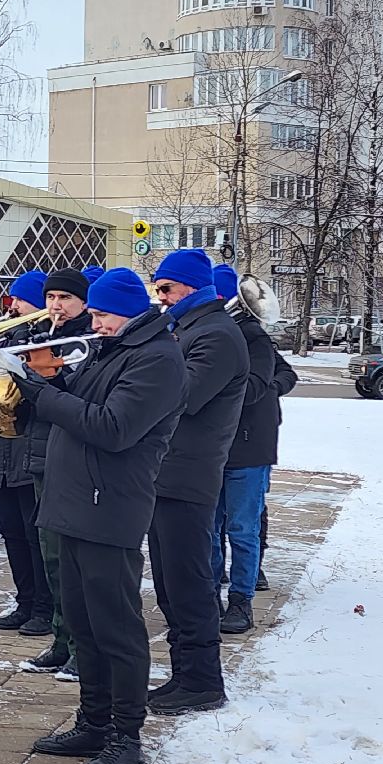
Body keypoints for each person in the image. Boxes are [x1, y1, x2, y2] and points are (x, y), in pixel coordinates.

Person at [16, 267, 186, 764]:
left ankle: (126, 739)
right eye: (96, 312)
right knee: (83, 623)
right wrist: (43, 379)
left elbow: (112, 428)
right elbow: (83, 401)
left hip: (109, 506)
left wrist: (44, 396)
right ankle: (93, 722)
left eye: (104, 313)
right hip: (73, 502)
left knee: (117, 628)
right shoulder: (112, 349)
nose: (96, 320)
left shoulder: (158, 359)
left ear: (132, 310)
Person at [147, 249, 248, 716]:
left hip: (189, 474)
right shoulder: (186, 329)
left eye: (166, 289)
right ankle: (183, 674)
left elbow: (180, 396)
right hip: (164, 472)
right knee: (169, 583)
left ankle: (204, 681)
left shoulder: (218, 335)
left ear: (190, 287)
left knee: (189, 582)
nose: (160, 298)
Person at [21, 268, 96, 682]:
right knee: (51, 555)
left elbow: (76, 396)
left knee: (73, 559)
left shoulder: (88, 342)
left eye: (66, 298)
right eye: (51, 297)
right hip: (39, 450)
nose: (56, 305)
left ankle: (82, 649)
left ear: (83, 303)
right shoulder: (38, 333)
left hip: (72, 456)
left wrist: (49, 373)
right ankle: (61, 640)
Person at [0, 269, 52, 637]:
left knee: (33, 533)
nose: (14, 307)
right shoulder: (1, 338)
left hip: (28, 451)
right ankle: (25, 600)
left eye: (22, 301)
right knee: (12, 532)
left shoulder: (43, 342)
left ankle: (44, 605)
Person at [209, 264, 277, 633]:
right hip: (212, 449)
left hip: (248, 449)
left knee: (242, 528)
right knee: (209, 527)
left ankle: (241, 602)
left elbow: (253, 388)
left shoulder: (254, 339)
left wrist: (214, 376)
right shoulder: (207, 335)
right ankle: (211, 596)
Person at [260, 352, 299, 590]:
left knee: (251, 510)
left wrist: (271, 388)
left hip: (256, 439)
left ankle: (255, 568)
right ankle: (219, 566)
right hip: (219, 438)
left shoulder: (258, 343)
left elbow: (287, 374)